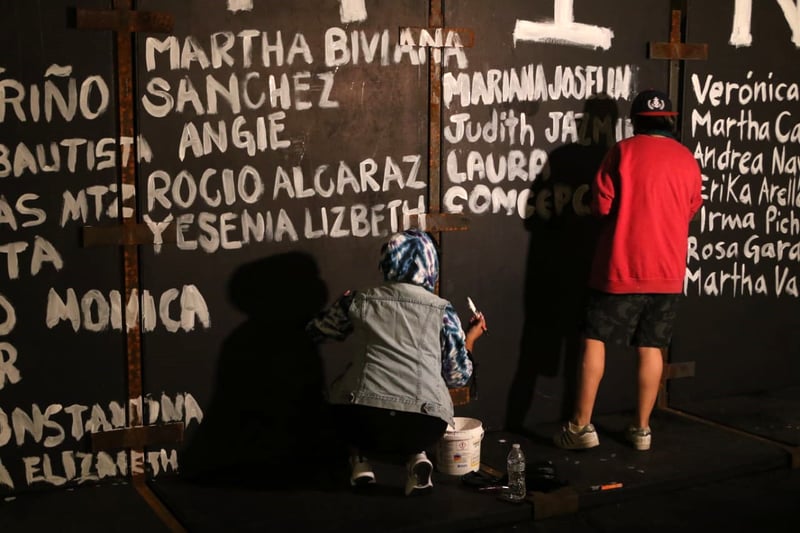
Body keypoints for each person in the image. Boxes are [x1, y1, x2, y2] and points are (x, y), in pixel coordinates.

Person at [553, 89, 703, 452]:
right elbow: (690, 210)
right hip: (667, 272)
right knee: (652, 347)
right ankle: (642, 430)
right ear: (669, 118)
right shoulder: (686, 159)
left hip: (620, 267)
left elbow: (601, 207)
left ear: (635, 120)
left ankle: (581, 426)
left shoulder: (622, 151)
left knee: (594, 337)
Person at [306, 229, 487, 495]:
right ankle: (418, 460)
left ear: (387, 261)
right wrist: (470, 339)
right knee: (417, 397)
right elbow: (458, 376)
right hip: (423, 426)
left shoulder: (358, 299)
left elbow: (316, 332)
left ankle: (359, 463)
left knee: (344, 387)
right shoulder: (442, 310)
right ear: (430, 266)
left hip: (360, 421)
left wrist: (344, 306)